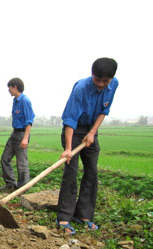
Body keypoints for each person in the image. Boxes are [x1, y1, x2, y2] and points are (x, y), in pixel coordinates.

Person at [56, 57, 119, 234]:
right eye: (97, 79)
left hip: (92, 129)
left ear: (111, 79)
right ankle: (64, 217)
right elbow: (70, 120)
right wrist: (68, 149)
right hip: (74, 132)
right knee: (71, 172)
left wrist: (92, 132)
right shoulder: (81, 89)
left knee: (91, 173)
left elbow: (103, 111)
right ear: (92, 75)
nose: (100, 84)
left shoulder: (113, 85)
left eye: (104, 81)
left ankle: (83, 215)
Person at [0, 78, 35, 192]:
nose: (8, 91)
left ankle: (23, 189)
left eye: (9, 88)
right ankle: (11, 184)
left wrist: (25, 138)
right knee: (5, 159)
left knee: (22, 163)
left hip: (22, 135)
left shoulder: (25, 101)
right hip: (14, 134)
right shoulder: (15, 101)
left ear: (14, 87)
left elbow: (29, 120)